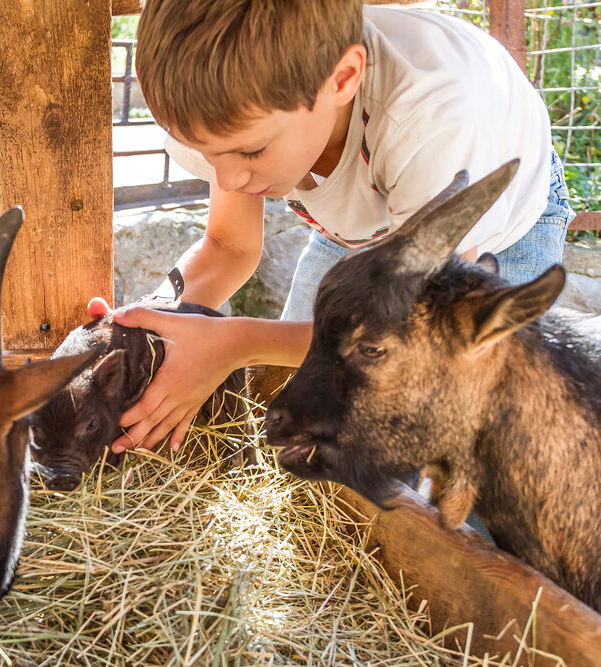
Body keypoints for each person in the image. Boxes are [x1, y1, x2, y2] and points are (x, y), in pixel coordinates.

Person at [91, 0, 575, 454]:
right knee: (306, 430)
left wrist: (232, 343)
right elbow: (228, 245)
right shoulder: (234, 103)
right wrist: (155, 320)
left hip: (500, 228)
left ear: (342, 79)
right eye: (206, 153)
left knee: (486, 440)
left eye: (251, 152)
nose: (228, 179)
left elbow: (417, 330)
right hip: (358, 224)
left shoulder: (434, 121)